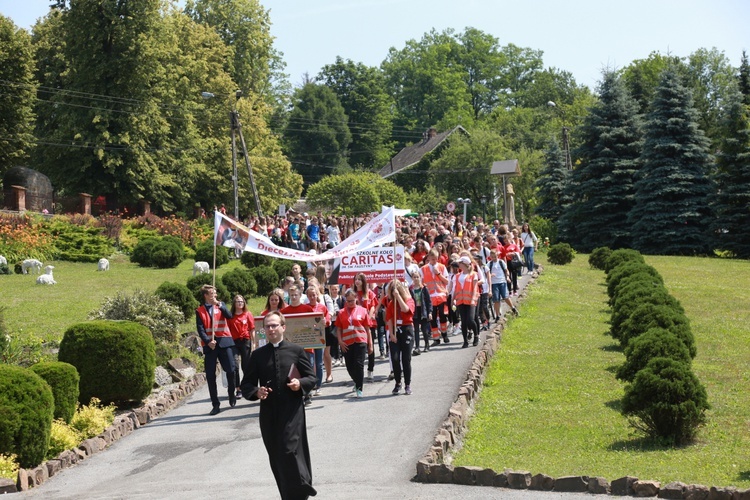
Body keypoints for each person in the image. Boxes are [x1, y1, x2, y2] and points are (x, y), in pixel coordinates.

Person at [240, 312, 317, 500]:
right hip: (269, 413)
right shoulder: (257, 355)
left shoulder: (296, 351)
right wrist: (256, 392)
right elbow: (246, 384)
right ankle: (288, 495)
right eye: (268, 326)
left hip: (292, 410)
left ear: (283, 327)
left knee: (289, 449)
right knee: (277, 457)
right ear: (264, 329)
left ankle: (303, 484)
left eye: (275, 325)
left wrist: (300, 384)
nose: (271, 329)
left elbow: (311, 377)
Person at [195, 285, 236, 415]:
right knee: (210, 375)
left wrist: (219, 304)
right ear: (206, 296)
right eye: (212, 294)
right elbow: (200, 329)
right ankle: (215, 404)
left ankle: (231, 393)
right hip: (211, 346)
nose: (215, 296)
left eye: (215, 293)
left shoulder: (220, 305)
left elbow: (229, 316)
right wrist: (208, 341)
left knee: (231, 369)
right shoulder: (200, 311)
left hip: (224, 342)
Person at [335, 288, 373, 398]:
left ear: (356, 299)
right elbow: (338, 329)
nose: (350, 303)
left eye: (352, 300)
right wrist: (340, 341)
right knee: (349, 366)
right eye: (348, 301)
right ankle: (356, 381)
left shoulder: (363, 310)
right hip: (347, 343)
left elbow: (367, 328)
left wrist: (370, 344)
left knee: (359, 364)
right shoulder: (342, 313)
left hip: (360, 341)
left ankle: (359, 388)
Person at [384, 280, 415, 396]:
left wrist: (399, 297)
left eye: (394, 291)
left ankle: (408, 384)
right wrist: (391, 334)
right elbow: (390, 319)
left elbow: (406, 309)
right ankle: (398, 382)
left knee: (406, 359)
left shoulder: (409, 300)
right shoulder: (391, 303)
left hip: (407, 330)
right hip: (396, 331)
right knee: (395, 358)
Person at [228, 294, 255, 398]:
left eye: (242, 301)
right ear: (234, 303)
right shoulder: (230, 316)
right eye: (238, 301)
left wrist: (253, 343)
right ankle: (238, 388)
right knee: (235, 366)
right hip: (234, 342)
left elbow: (252, 329)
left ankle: (248, 387)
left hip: (245, 341)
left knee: (246, 366)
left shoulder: (247, 314)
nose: (240, 303)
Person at [451, 256, 480, 348]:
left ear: (464, 264)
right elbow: (456, 288)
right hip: (461, 300)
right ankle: (465, 341)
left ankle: (476, 335)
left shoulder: (473, 274)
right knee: (463, 321)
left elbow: (475, 288)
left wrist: (472, 299)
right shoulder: (458, 276)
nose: (458, 265)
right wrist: (453, 299)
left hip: (470, 300)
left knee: (470, 320)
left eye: (460, 263)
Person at [410, 272, 432, 355]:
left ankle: (427, 344)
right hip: (415, 312)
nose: (416, 279)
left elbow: (429, 301)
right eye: (414, 277)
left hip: (423, 311)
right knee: (416, 330)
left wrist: (430, 312)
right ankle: (417, 347)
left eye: (417, 277)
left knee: (424, 329)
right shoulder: (411, 289)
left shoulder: (424, 288)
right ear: (412, 278)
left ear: (420, 278)